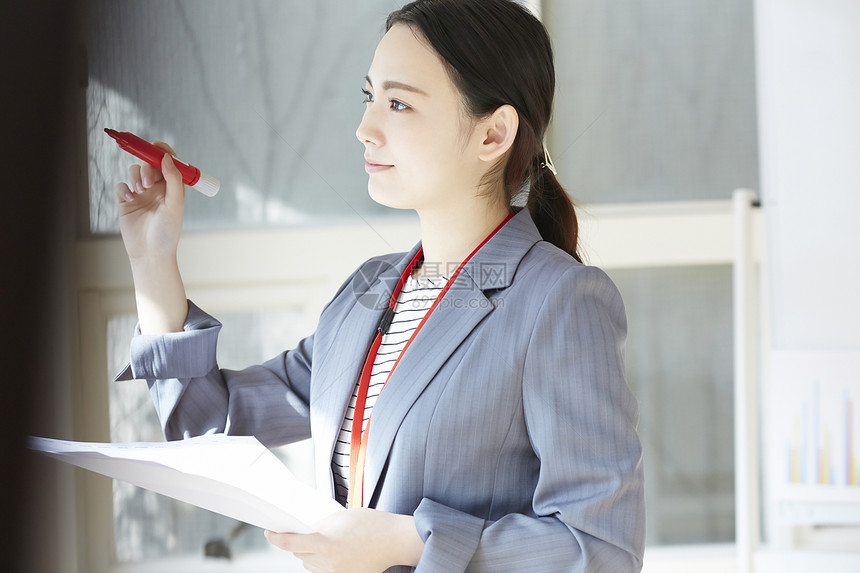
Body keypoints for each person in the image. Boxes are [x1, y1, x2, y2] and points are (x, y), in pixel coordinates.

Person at [114, 0, 645, 571]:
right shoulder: (366, 293)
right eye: (370, 98)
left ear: (493, 134)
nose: (365, 129)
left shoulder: (560, 301)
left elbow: (601, 549)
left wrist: (409, 542)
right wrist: (152, 261)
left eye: (399, 103)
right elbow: (212, 426)